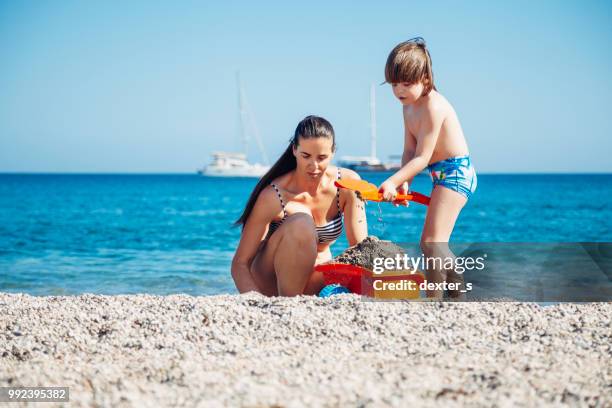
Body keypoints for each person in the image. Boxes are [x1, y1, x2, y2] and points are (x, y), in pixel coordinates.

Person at [378, 38, 477, 298]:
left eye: (406, 83)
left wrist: (390, 181)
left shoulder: (434, 106)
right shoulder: (408, 106)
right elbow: (409, 152)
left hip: (456, 173)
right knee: (435, 243)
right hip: (441, 174)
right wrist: (403, 183)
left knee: (431, 243)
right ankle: (457, 293)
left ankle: (434, 300)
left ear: (424, 77)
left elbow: (422, 157)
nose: (399, 90)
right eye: (393, 84)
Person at [232, 115, 368, 296]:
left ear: (333, 152)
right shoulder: (274, 196)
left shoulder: (348, 184)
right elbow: (240, 264)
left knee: (371, 254)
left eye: (322, 157)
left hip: (314, 280)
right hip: (271, 284)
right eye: (306, 156)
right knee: (302, 223)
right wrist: (255, 301)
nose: (314, 166)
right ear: (295, 150)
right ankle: (291, 305)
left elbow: (359, 249)